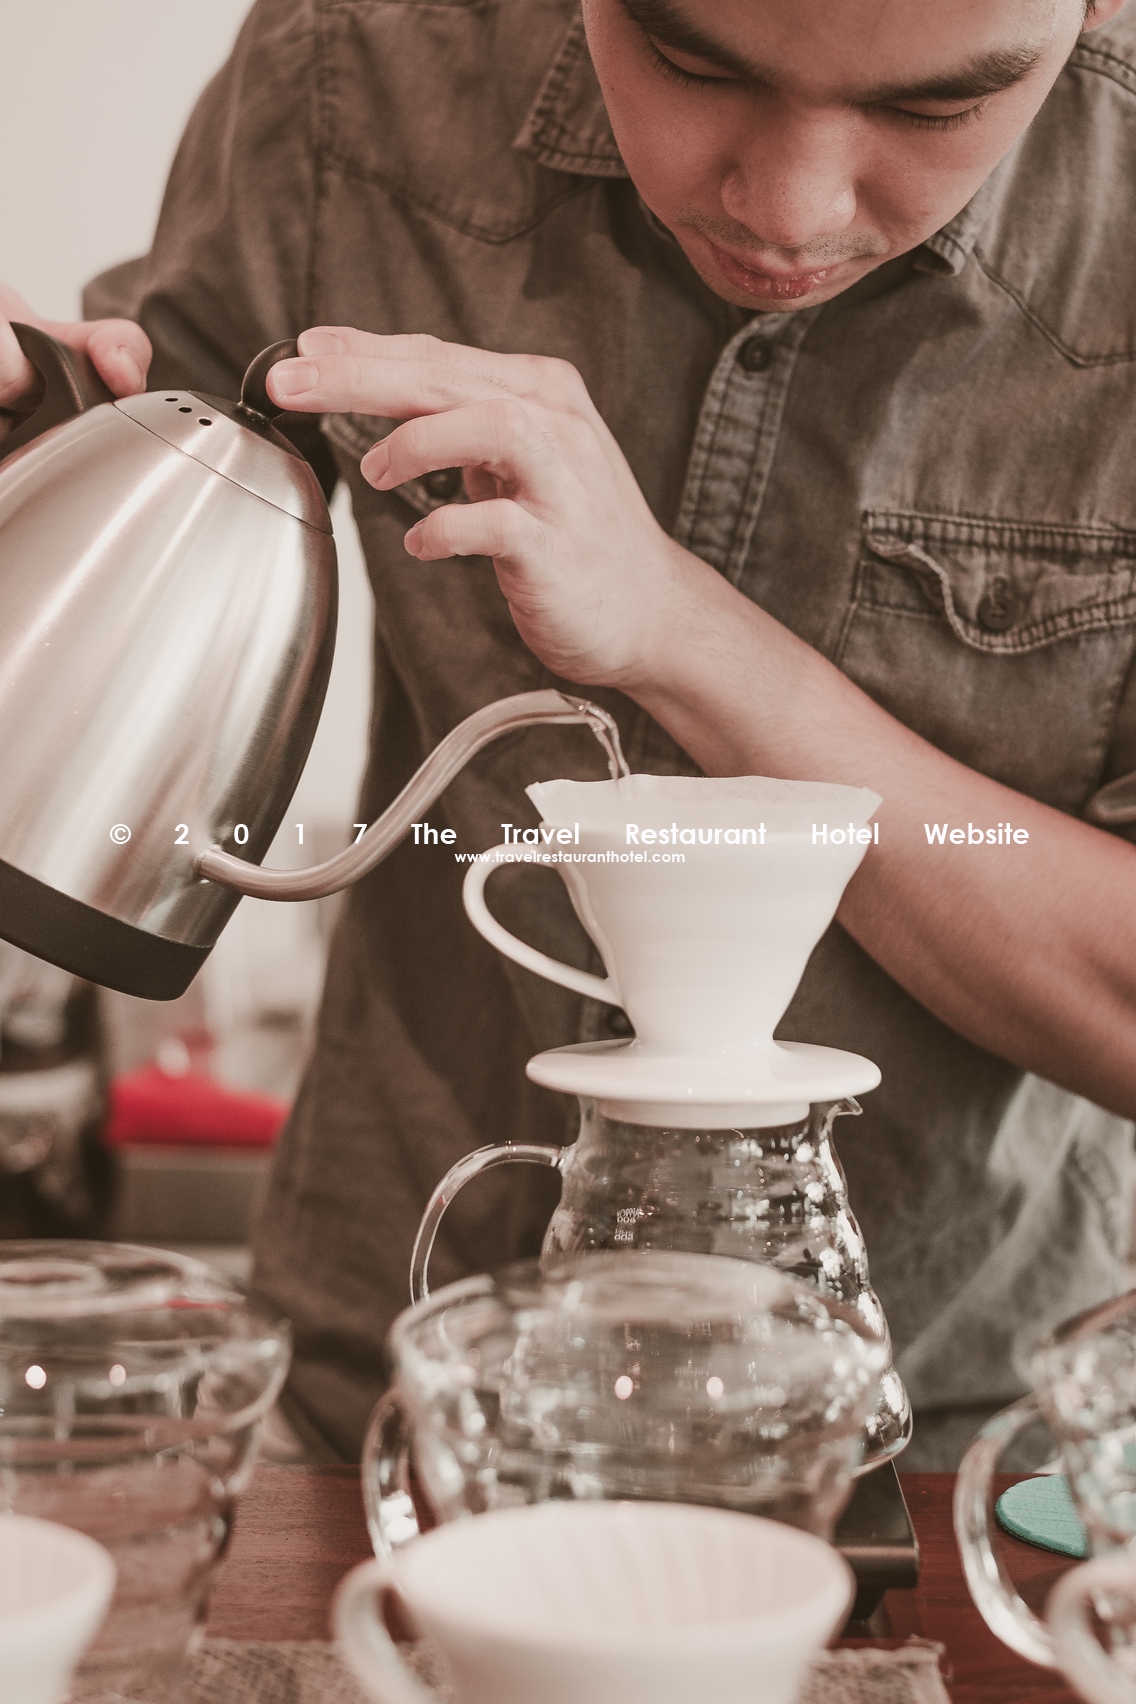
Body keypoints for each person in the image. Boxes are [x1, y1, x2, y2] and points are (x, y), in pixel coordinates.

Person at [3, 0, 1136, 1466]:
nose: (789, 211)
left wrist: (680, 632)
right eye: (692, 61)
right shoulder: (354, 72)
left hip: (949, 1446)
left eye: (932, 110)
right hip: (393, 1380)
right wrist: (36, 444)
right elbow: (150, 470)